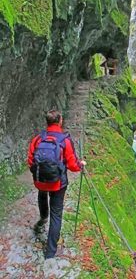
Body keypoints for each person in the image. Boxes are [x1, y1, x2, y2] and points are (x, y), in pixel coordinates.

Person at [27, 110, 86, 259]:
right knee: (57, 214)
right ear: (59, 121)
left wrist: (40, 174)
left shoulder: (38, 139)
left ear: (47, 122)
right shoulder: (64, 140)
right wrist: (81, 165)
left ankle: (42, 218)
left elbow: (30, 161)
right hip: (58, 183)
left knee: (42, 194)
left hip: (40, 181)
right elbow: (73, 165)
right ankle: (50, 252)